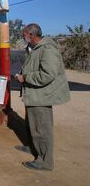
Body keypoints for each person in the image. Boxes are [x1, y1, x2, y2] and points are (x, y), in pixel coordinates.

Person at [14, 23, 70, 171]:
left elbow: (48, 74)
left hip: (41, 96)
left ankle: (45, 162)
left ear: (31, 35)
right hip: (34, 94)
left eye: (24, 34)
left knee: (41, 129)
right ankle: (33, 148)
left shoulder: (47, 49)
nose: (22, 36)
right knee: (32, 125)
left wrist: (25, 78)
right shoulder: (35, 48)